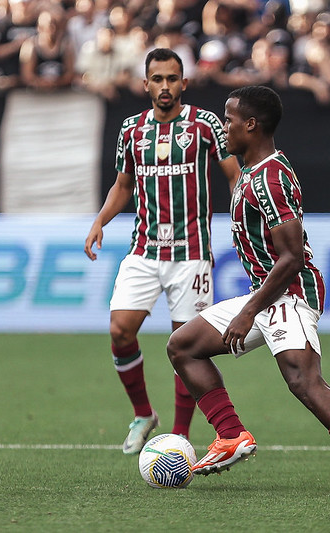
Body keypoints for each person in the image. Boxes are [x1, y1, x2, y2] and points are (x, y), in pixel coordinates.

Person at [166, 85, 330, 494]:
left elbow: (291, 256)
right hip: (266, 291)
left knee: (303, 380)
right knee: (183, 345)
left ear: (252, 125)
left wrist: (246, 312)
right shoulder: (251, 172)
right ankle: (230, 435)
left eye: (230, 119)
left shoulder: (270, 178)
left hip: (290, 292)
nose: (224, 128)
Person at [84, 47, 240, 455]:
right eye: (158, 79)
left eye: (172, 79)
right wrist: (100, 220)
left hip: (192, 253)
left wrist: (244, 219)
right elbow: (123, 186)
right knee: (120, 330)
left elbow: (233, 175)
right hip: (144, 248)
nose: (165, 86)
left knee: (186, 343)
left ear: (184, 83)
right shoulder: (131, 130)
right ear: (146, 84)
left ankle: (180, 437)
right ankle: (143, 414)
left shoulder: (205, 124)